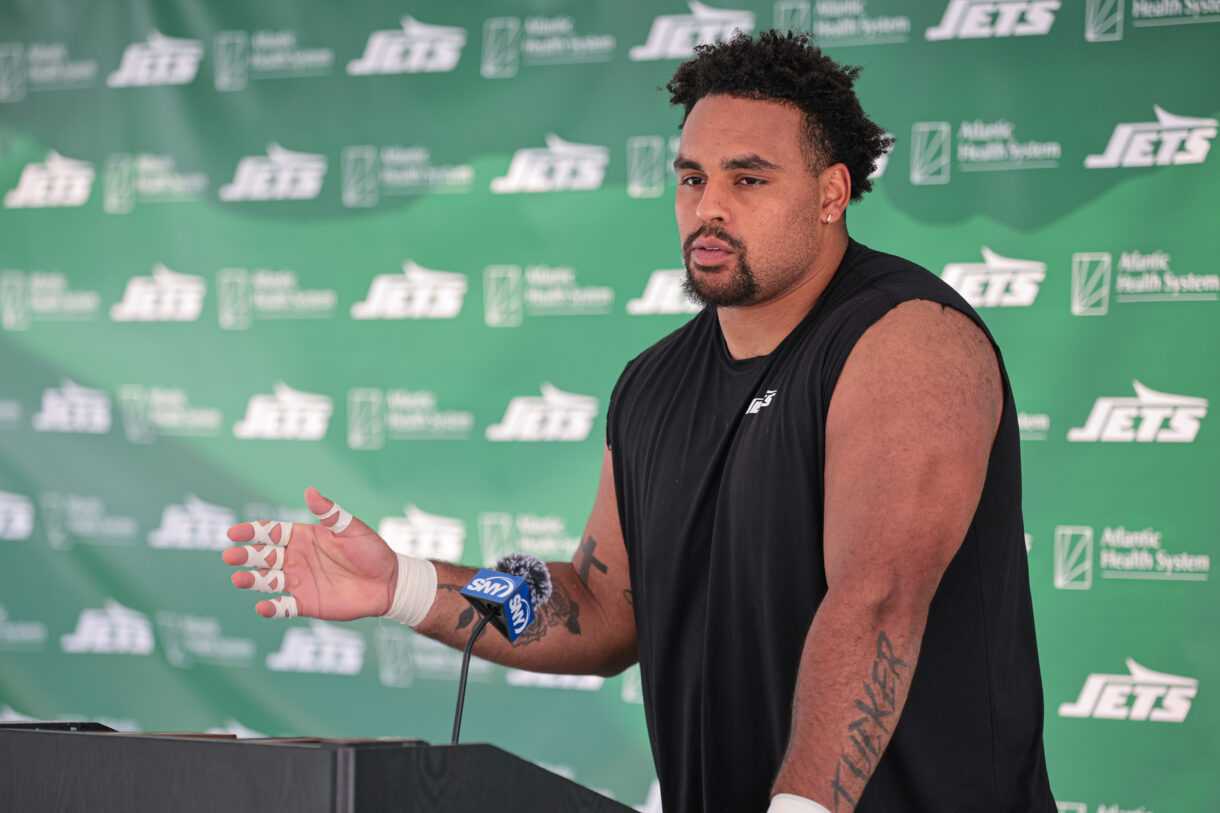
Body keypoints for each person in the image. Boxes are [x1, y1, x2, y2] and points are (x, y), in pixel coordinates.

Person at [223, 31, 1055, 813]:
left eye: (749, 178)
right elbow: (599, 601)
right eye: (692, 178)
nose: (709, 208)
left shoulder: (908, 339)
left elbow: (877, 600)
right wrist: (402, 583)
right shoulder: (654, 382)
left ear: (832, 192)